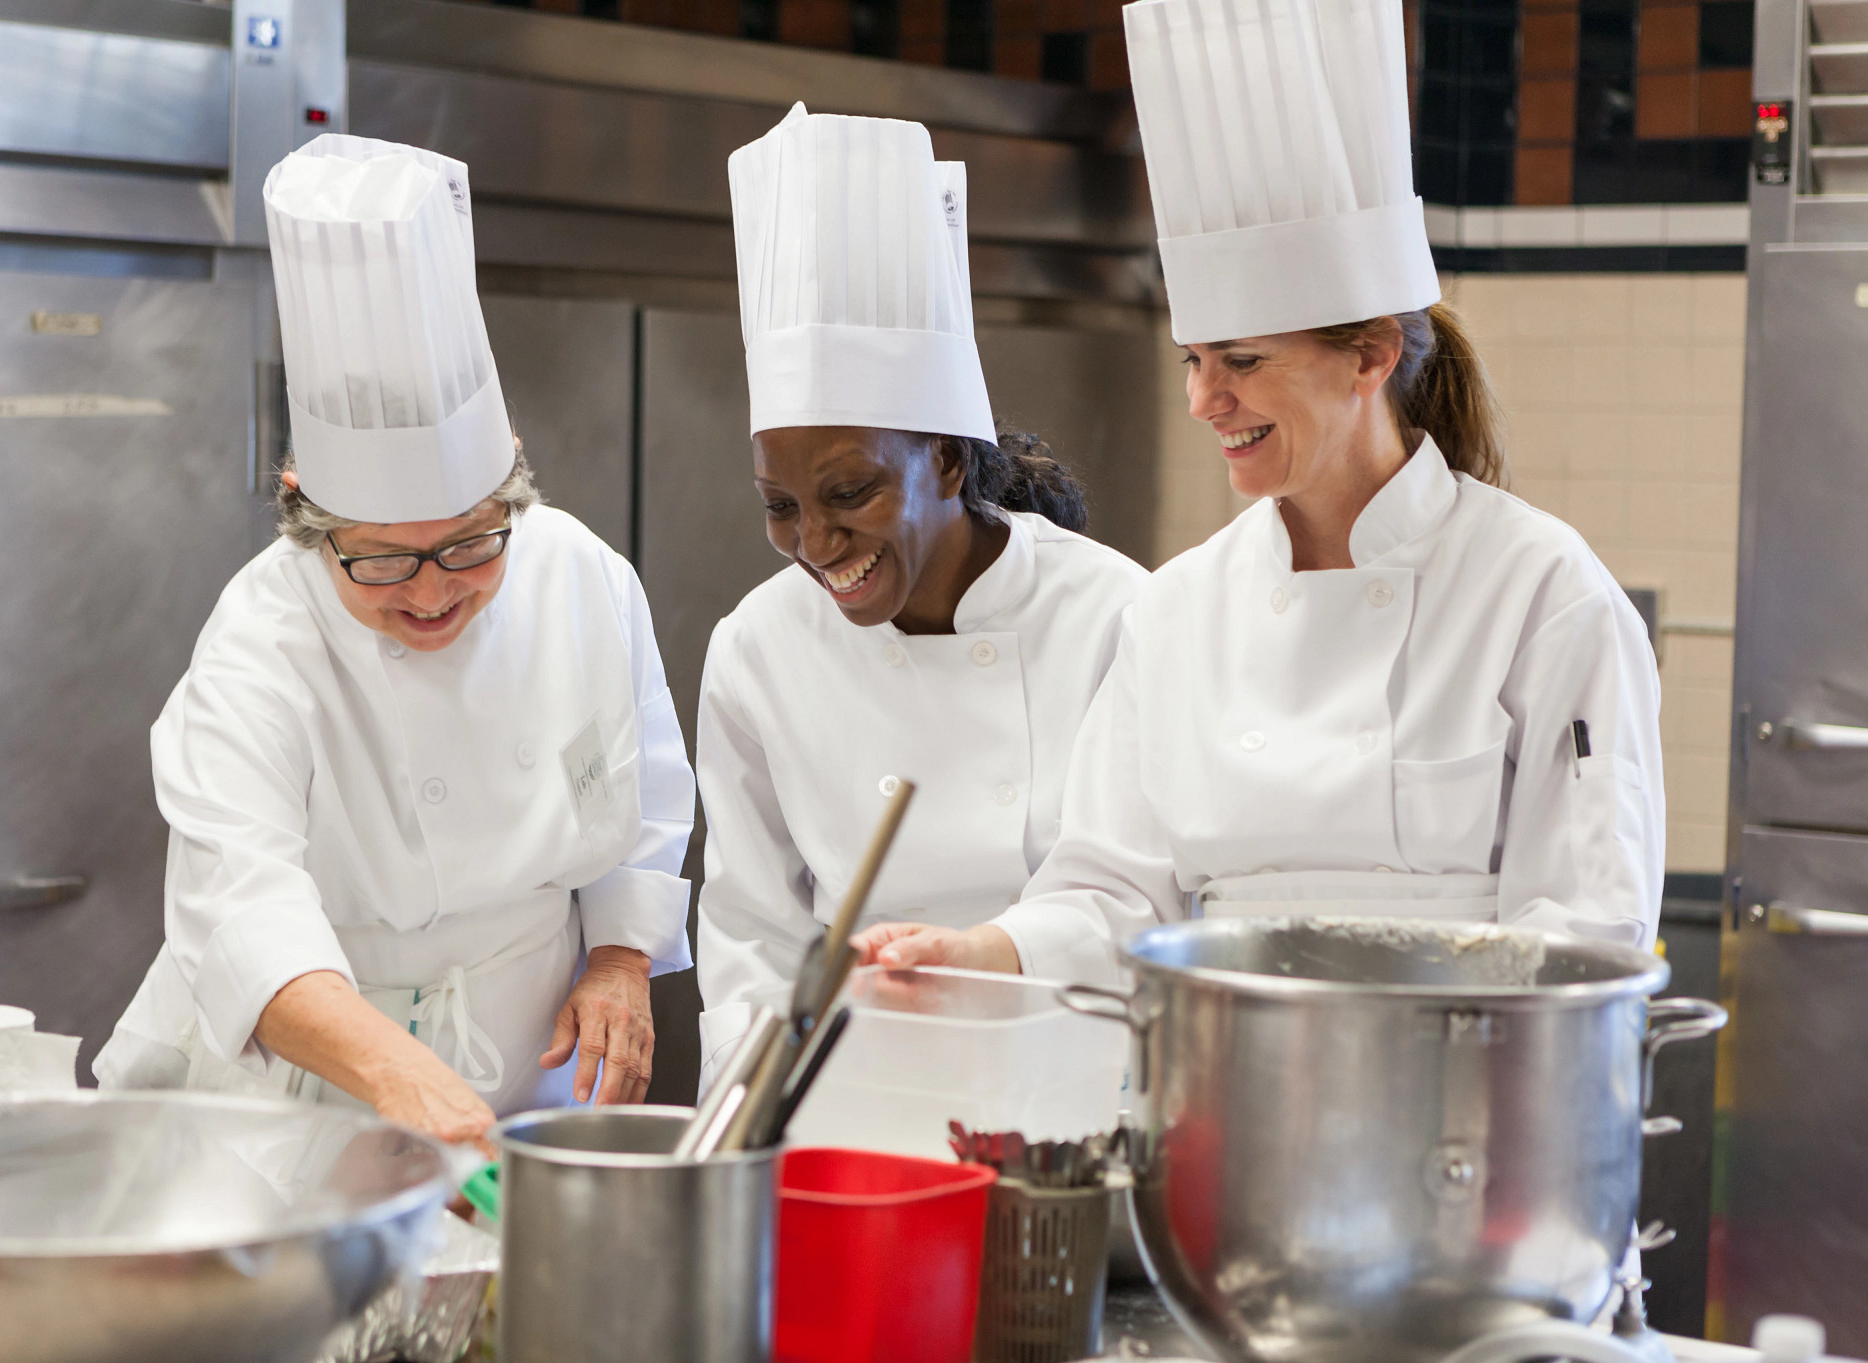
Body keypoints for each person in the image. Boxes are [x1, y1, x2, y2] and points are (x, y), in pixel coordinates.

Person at [859, 0, 1665, 984]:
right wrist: (974, 950)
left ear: (1366, 357)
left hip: (1461, 1098)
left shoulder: (1539, 592)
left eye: (1239, 360)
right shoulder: (1179, 610)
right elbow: (1111, 894)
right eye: (1193, 360)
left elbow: (1583, 928)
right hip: (1228, 1092)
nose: (1203, 400)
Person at [95, 135, 694, 1144]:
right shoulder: (261, 639)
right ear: (303, 515)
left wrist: (618, 960)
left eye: (468, 546)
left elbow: (639, 796)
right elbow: (238, 911)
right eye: (381, 561)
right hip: (304, 1096)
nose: (430, 594)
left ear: (512, 478)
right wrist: (394, 1073)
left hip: (523, 1075)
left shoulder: (582, 577)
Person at [693, 105, 1148, 1078]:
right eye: (780, 505)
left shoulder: (1114, 615)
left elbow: (1139, 898)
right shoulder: (756, 648)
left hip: (1069, 1092)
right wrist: (748, 1133)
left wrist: (984, 957)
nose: (813, 544)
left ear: (943, 460)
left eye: (849, 492)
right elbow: (750, 939)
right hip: (843, 1100)